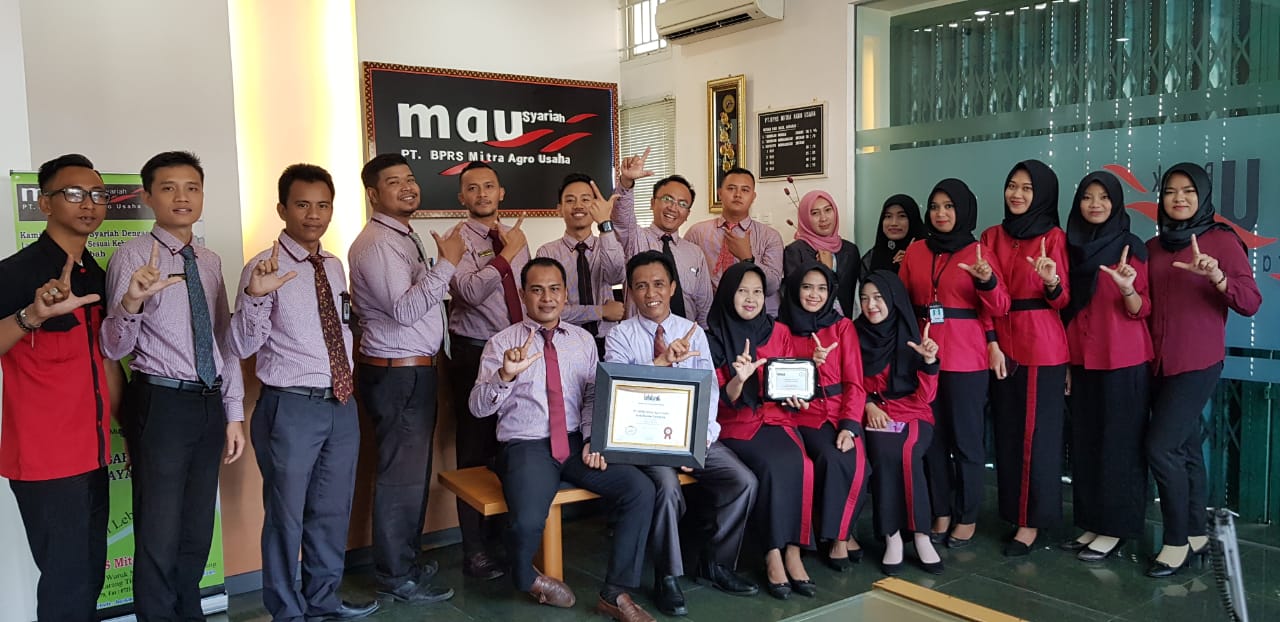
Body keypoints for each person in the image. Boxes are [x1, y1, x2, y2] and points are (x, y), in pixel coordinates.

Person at [100, 151, 246, 619]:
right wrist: (131, 304)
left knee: (197, 526)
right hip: (160, 402)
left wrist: (233, 413)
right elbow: (113, 347)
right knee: (159, 529)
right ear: (148, 196)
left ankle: (190, 613)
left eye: (192, 188)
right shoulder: (132, 256)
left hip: (208, 403)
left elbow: (223, 340)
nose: (182, 197)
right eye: (168, 188)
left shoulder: (209, 260)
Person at [229, 164, 378, 622]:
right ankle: (286, 610)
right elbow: (241, 345)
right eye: (302, 205)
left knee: (331, 511)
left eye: (323, 205)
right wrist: (256, 296)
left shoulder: (333, 266)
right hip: (290, 406)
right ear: (282, 209)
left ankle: (323, 600)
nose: (313, 215)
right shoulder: (263, 267)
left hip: (340, 404)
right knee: (286, 516)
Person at [471, 257, 657, 622]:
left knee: (640, 490)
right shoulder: (501, 343)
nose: (547, 298)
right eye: (537, 290)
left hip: (574, 443)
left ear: (565, 293)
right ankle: (526, 577)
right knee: (527, 521)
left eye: (554, 289)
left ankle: (615, 593)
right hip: (526, 446)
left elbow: (591, 397)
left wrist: (592, 439)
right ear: (523, 294)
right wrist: (504, 376)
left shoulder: (583, 341)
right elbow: (477, 408)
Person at [0, 154, 124, 622]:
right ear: (45, 203)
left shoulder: (96, 273)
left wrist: (129, 430)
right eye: (73, 194)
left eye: (97, 195)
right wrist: (31, 316)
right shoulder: (15, 273)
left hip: (94, 452)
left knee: (89, 577)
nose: (88, 204)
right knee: (66, 583)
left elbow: (105, 361)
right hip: (46, 458)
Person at [604, 251, 758, 617]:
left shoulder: (693, 333)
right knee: (667, 487)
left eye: (659, 284)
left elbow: (710, 393)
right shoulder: (619, 336)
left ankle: (716, 562)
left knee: (743, 481)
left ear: (673, 287)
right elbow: (618, 394)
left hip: (689, 435)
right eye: (641, 286)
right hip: (644, 438)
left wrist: (700, 441)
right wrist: (660, 364)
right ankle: (667, 576)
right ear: (630, 291)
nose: (651, 293)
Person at [347, 153, 459, 603]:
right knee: (401, 479)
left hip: (412, 370)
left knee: (412, 475)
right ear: (373, 194)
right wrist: (447, 264)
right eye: (394, 182)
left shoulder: (401, 236)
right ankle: (395, 576)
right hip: (398, 374)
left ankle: (406, 562)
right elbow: (406, 309)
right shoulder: (378, 244)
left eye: (410, 179)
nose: (408, 187)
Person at [1144, 163, 1260, 577]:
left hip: (1197, 361)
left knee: (1160, 448)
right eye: (1170, 191)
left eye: (1188, 191)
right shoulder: (1153, 247)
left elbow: (1250, 302)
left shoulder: (1221, 240)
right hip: (1156, 362)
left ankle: (1175, 541)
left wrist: (1218, 276)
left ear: (1203, 196)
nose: (1179, 198)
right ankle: (1196, 534)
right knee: (1186, 448)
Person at [899, 179, 1008, 548]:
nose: (941, 214)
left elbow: (1000, 307)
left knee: (966, 441)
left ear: (963, 210)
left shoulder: (979, 252)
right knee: (932, 440)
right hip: (924, 356)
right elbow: (901, 301)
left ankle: (967, 514)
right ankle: (941, 510)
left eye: (949, 206)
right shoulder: (916, 251)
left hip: (966, 358)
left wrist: (987, 281)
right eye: (934, 206)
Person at [1059, 171, 1153, 562]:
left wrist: (1128, 288)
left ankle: (1116, 528)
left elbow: (1142, 308)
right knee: (1085, 445)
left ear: (1116, 203)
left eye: (1104, 197)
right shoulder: (1071, 248)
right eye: (1087, 196)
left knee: (1119, 447)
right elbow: (1065, 308)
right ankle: (1092, 522)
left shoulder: (1131, 246)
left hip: (1122, 360)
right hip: (1082, 358)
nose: (1095, 204)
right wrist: (1066, 363)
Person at [707, 262, 815, 601]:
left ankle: (793, 550)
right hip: (736, 423)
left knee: (802, 463)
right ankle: (772, 553)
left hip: (776, 417)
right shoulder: (713, 336)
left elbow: (789, 379)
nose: (751, 299)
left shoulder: (778, 331)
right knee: (770, 465)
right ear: (728, 294)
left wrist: (797, 397)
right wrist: (739, 380)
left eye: (757, 291)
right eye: (742, 291)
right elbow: (719, 400)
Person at [981, 159, 1070, 556]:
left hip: (1041, 348)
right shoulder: (991, 235)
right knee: (1008, 435)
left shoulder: (1054, 237)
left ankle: (1031, 522)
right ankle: (1014, 513)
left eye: (1027, 188)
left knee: (1037, 438)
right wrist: (991, 341)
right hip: (1002, 344)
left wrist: (1051, 281)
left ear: (1043, 194)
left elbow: (1063, 299)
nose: (1016, 194)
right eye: (1012, 185)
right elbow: (982, 297)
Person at [446, 161, 530, 579]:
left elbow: (527, 294)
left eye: (489, 186)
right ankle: (474, 550)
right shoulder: (457, 240)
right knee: (474, 453)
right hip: (476, 353)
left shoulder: (515, 235)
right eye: (473, 188)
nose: (482, 194)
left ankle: (504, 540)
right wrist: (507, 255)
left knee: (511, 447)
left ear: (502, 193)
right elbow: (469, 291)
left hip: (518, 353)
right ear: (461, 197)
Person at [778, 262, 868, 570]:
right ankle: (835, 534)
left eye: (821, 288)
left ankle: (839, 535)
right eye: (807, 287)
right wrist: (809, 363)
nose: (814, 295)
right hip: (799, 414)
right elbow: (781, 379)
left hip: (839, 412)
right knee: (822, 460)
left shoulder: (842, 327)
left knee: (847, 459)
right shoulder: (782, 328)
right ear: (795, 290)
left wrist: (850, 425)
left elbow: (855, 383)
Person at [855, 271, 943, 576]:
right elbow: (851, 382)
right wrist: (868, 405)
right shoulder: (855, 334)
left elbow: (926, 397)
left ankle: (921, 535)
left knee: (907, 453)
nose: (871, 305)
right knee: (883, 452)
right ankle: (891, 536)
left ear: (893, 299)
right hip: (875, 412)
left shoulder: (912, 334)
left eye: (878, 297)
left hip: (913, 411)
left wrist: (929, 362)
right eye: (864, 298)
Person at [610, 148, 713, 327]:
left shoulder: (695, 253)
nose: (673, 208)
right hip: (641, 337)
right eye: (667, 199)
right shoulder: (635, 239)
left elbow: (703, 305)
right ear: (652, 203)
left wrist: (702, 336)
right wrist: (626, 183)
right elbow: (621, 219)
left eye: (682, 204)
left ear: (687, 214)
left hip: (685, 337)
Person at [535, 173, 626, 353]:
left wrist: (605, 224)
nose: (578, 206)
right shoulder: (547, 253)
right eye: (570, 200)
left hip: (608, 341)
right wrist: (601, 311)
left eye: (585, 199)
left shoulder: (609, 243)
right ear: (559, 209)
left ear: (595, 206)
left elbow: (616, 276)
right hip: (564, 341)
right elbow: (550, 309)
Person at [684, 167, 786, 315]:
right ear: (720, 193)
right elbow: (685, 279)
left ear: (753, 196)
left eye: (745, 190)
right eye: (731, 188)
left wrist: (748, 258)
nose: (738, 194)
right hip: (711, 315)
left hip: (759, 317)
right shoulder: (697, 233)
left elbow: (772, 286)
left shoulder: (770, 236)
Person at [783, 191, 861, 318]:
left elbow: (855, 295)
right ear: (805, 218)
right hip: (809, 324)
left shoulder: (850, 250)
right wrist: (826, 270)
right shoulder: (795, 251)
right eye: (815, 213)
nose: (823, 218)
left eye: (828, 210)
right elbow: (794, 295)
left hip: (845, 324)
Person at [861, 194, 925, 275]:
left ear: (913, 220)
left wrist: (913, 265)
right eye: (888, 216)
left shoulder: (929, 255)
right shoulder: (871, 258)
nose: (894, 223)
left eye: (902, 216)